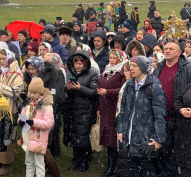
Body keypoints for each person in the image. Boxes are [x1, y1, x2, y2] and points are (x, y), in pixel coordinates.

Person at [152, 42, 191, 177]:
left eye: (171, 49)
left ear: (179, 52)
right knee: (161, 150)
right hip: (160, 118)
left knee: (176, 152)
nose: (167, 51)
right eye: (165, 48)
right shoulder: (158, 68)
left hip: (179, 117)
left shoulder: (189, 69)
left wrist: (183, 107)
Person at [117, 56, 166, 176]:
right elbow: (123, 111)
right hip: (129, 139)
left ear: (143, 68)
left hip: (145, 140)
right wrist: (120, 130)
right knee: (131, 171)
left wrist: (159, 139)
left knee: (146, 171)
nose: (131, 69)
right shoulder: (129, 85)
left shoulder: (154, 86)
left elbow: (160, 115)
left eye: (135, 66)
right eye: (130, 66)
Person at [64, 50, 99, 172]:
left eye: (80, 63)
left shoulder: (92, 74)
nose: (78, 65)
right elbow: (65, 90)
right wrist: (67, 88)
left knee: (82, 136)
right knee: (73, 134)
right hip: (72, 109)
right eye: (76, 63)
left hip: (85, 109)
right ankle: (76, 159)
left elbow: (94, 92)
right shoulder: (69, 73)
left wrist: (80, 88)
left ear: (85, 63)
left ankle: (84, 161)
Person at [97, 49, 127, 177]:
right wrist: (99, 107)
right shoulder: (106, 70)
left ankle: (114, 167)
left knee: (114, 138)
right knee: (108, 138)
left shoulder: (122, 72)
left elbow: (122, 89)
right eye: (110, 57)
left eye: (114, 58)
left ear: (120, 59)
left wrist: (107, 92)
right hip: (105, 107)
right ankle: (111, 165)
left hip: (115, 108)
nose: (111, 60)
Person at [0, 48, 24, 175]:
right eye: (0, 59)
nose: (1, 61)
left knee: (9, 135)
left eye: (3, 58)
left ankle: (7, 162)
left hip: (11, 108)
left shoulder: (17, 73)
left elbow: (17, 92)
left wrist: (0, 88)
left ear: (9, 58)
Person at [18, 78, 54, 177]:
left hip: (38, 139)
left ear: (40, 93)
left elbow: (49, 123)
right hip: (27, 137)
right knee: (29, 163)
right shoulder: (28, 103)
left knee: (39, 164)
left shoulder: (46, 105)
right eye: (31, 92)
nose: (32, 95)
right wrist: (20, 121)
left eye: (34, 93)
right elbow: (22, 114)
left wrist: (33, 122)